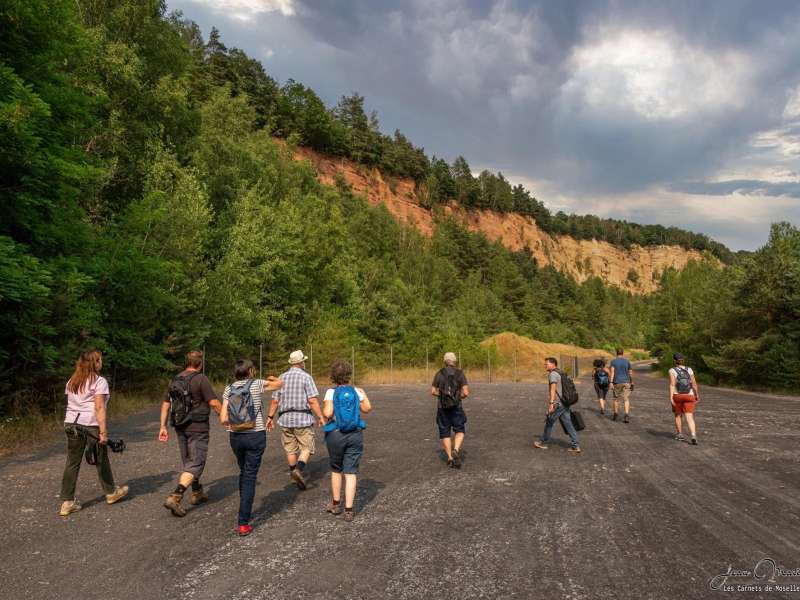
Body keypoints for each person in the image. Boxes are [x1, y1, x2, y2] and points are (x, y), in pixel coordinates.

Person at [59, 350, 129, 516]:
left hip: (71, 424)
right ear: (94, 363)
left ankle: (67, 502)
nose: (101, 363)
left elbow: (72, 404)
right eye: (99, 360)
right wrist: (103, 431)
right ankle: (111, 492)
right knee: (100, 458)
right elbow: (99, 407)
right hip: (90, 424)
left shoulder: (72, 381)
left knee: (72, 462)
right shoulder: (99, 381)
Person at [220, 359, 283, 536]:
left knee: (243, 471)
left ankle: (244, 507)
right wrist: (272, 377)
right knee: (250, 475)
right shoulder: (256, 384)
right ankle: (243, 522)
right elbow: (279, 384)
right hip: (255, 435)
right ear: (250, 371)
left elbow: (223, 418)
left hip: (236, 436)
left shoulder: (228, 388)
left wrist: (236, 422)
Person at [159, 350, 221, 517]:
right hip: (197, 427)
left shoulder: (175, 379)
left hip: (180, 425)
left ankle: (197, 492)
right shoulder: (201, 379)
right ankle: (175, 496)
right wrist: (226, 418)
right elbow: (214, 402)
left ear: (186, 362)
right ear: (200, 363)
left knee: (189, 461)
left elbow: (166, 404)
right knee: (196, 462)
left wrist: (163, 426)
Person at [322, 360, 372, 522]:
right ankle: (349, 510)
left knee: (336, 469)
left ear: (333, 376)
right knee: (350, 472)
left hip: (336, 434)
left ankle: (336, 504)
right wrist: (362, 394)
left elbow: (327, 413)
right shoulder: (356, 391)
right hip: (355, 434)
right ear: (349, 375)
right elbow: (367, 408)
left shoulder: (331, 392)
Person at [267, 350, 324, 490]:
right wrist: (320, 416)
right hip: (302, 418)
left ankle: (293, 474)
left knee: (290, 449)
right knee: (307, 447)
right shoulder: (306, 377)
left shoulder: (281, 377)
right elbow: (312, 400)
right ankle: (298, 470)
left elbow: (275, 401)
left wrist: (270, 417)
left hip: (285, 419)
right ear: (301, 363)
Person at [534, 357, 581, 453]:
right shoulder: (560, 372)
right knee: (568, 423)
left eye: (546, 364)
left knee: (549, 422)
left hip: (558, 403)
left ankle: (543, 442)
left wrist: (551, 403)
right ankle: (575, 445)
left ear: (553, 364)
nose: (545, 365)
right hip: (565, 402)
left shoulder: (553, 374)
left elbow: (553, 389)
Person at [430, 352, 469, 468]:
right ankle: (455, 450)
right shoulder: (460, 373)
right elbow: (466, 393)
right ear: (455, 361)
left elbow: (433, 391)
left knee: (445, 433)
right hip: (457, 407)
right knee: (460, 431)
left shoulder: (439, 373)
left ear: (444, 361)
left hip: (442, 408)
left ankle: (450, 458)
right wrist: (457, 397)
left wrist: (442, 395)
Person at [669, 353, 700, 445]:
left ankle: (680, 434)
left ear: (674, 360)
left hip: (677, 396)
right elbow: (694, 384)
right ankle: (693, 435)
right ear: (682, 360)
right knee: (689, 416)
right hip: (689, 395)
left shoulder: (672, 370)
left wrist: (671, 397)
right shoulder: (689, 369)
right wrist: (696, 394)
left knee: (678, 415)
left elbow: (672, 384)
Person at [609, 348, 634, 423]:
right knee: (626, 399)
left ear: (616, 353)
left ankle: (615, 414)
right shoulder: (627, 361)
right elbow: (630, 373)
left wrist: (611, 382)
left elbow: (612, 372)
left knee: (616, 398)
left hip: (617, 382)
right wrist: (632, 382)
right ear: (623, 353)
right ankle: (626, 415)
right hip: (626, 382)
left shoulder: (613, 361)